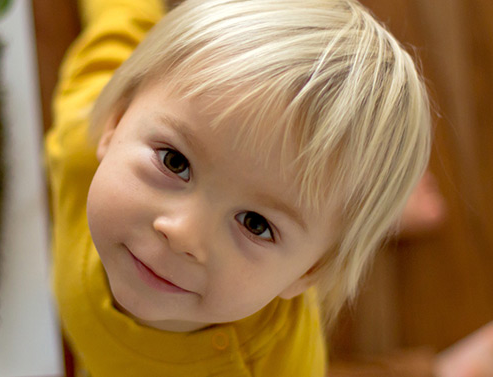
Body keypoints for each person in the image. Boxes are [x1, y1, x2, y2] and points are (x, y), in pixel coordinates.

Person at [46, 0, 430, 375]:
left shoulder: (275, 362)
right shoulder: (80, 134)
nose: (182, 234)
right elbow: (121, 14)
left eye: (255, 223)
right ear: (115, 122)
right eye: (175, 162)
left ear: (309, 272)